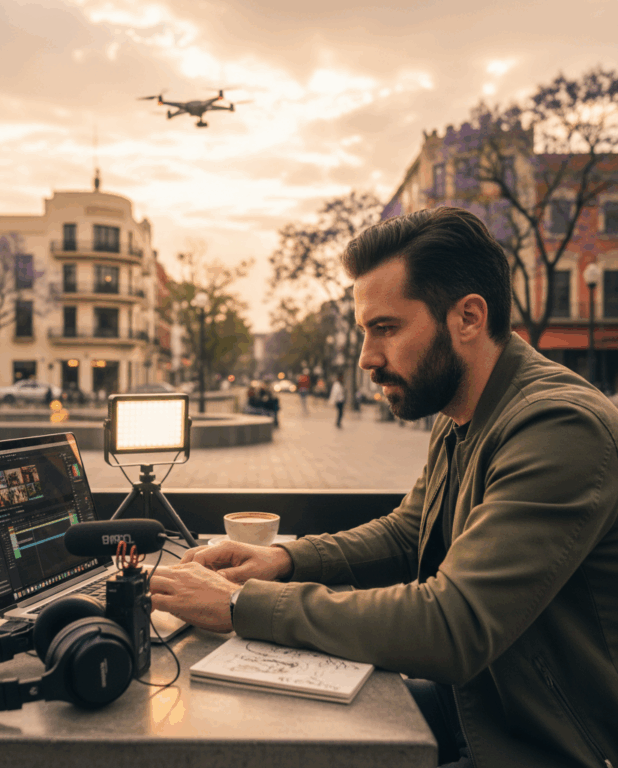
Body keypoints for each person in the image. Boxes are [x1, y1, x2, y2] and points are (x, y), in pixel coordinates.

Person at [149, 207, 618, 768]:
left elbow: (453, 625)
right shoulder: (459, 408)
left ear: (468, 318)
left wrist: (238, 603)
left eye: (386, 329)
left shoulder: (559, 426)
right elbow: (409, 532)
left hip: (547, 741)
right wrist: (280, 561)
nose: (369, 358)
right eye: (365, 331)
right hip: (477, 705)